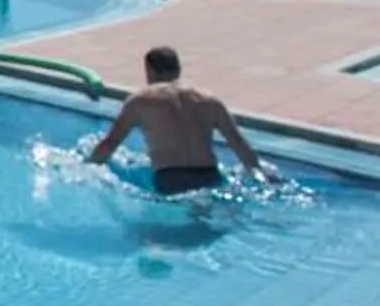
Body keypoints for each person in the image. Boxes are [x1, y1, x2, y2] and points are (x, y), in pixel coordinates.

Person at [87, 46, 280, 195]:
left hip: (171, 178)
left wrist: (87, 168)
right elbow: (239, 144)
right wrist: (260, 175)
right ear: (178, 70)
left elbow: (110, 143)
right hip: (210, 176)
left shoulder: (140, 101)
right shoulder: (210, 101)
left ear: (150, 71)